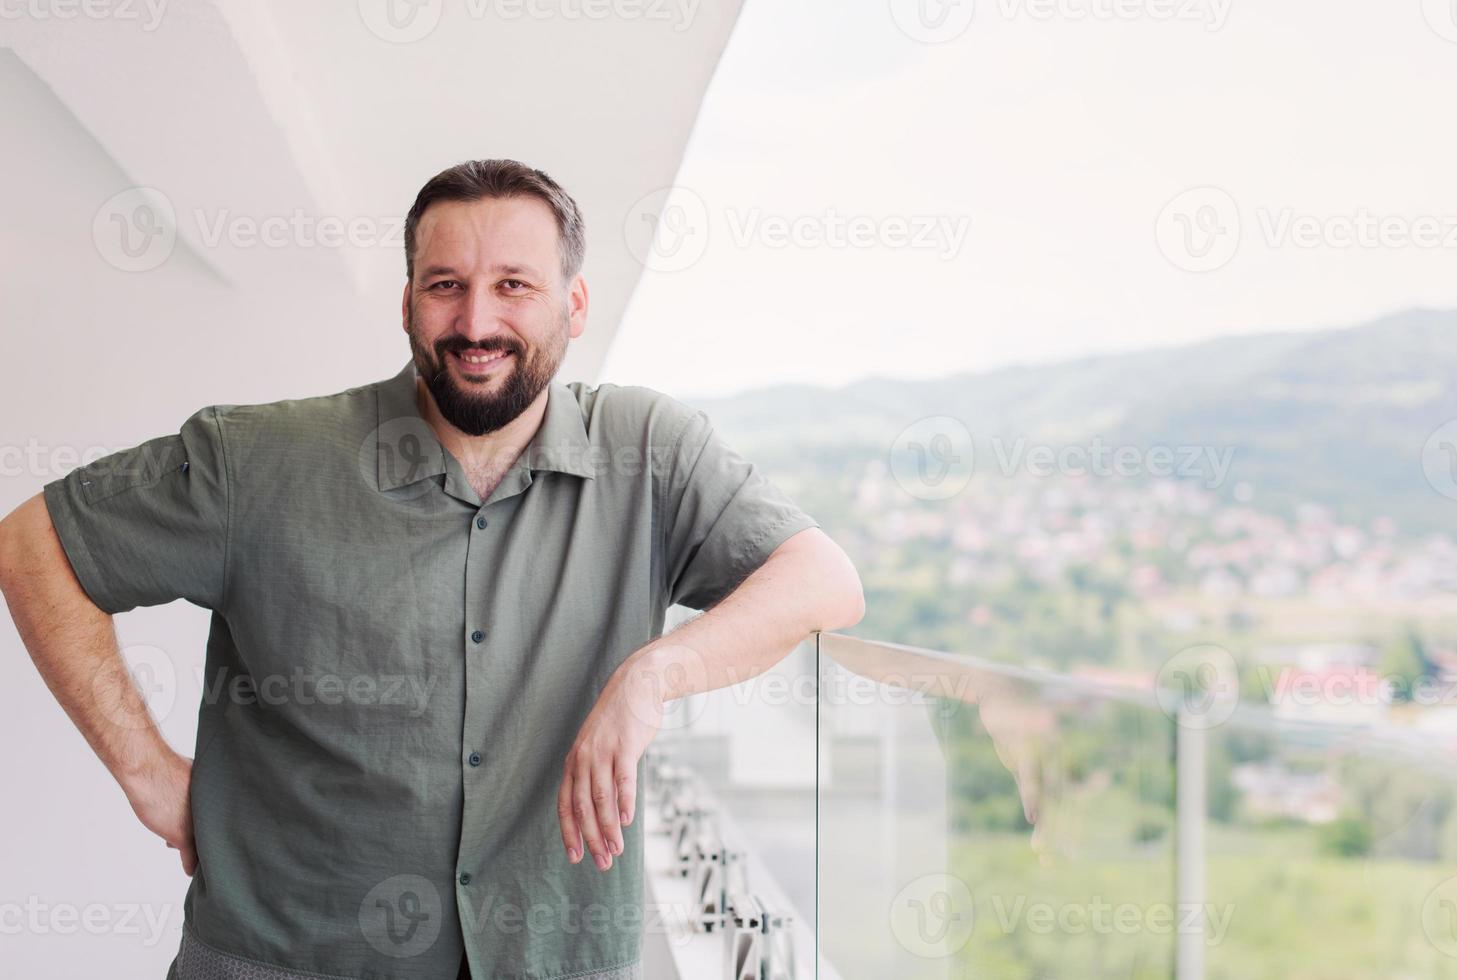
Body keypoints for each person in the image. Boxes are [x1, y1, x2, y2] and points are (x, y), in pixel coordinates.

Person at [0, 159, 865, 980]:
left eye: (513, 286)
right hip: (282, 954)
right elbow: (33, 543)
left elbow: (823, 580)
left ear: (574, 304)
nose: (477, 323)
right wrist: (147, 771)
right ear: (408, 301)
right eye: (445, 285)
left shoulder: (648, 450)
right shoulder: (256, 459)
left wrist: (655, 672)